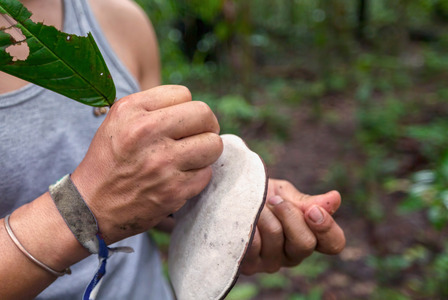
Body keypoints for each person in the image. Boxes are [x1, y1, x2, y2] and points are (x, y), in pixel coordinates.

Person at [0, 0, 346, 299]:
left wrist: (231, 202)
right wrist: (83, 206)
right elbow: (107, 197)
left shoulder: (120, 20)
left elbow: (149, 190)